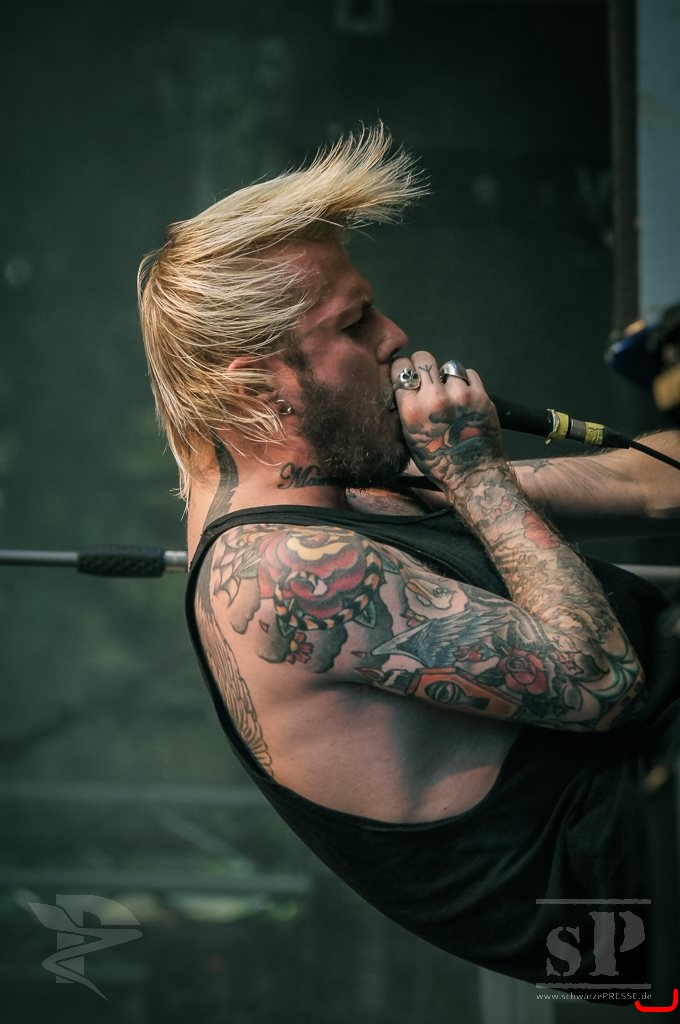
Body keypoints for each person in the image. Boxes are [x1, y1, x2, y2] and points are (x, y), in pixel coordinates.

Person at [138, 126, 680, 999]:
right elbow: (598, 680)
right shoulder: (284, 575)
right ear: (255, 388)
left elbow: (647, 486)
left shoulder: (356, 500)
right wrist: (476, 475)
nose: (394, 337)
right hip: (650, 872)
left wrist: (477, 479)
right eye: (354, 324)